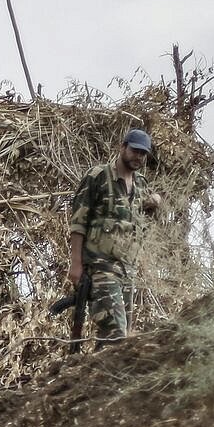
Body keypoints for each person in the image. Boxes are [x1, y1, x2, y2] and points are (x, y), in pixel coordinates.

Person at [67, 129, 163, 345]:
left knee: (119, 341)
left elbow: (139, 215)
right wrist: (75, 265)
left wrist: (155, 200)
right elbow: (78, 223)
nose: (138, 157)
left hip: (127, 271)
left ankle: (94, 377)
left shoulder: (140, 184)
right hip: (100, 269)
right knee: (116, 332)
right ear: (123, 147)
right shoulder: (98, 176)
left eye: (143, 154)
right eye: (135, 151)